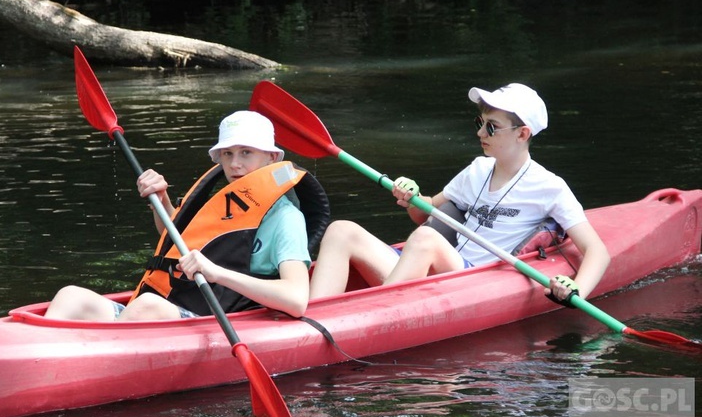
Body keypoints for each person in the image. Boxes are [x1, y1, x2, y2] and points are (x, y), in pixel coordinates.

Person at [309, 83, 610, 307]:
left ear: (523, 134)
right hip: (435, 266)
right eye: (480, 124)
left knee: (426, 241)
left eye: (492, 128)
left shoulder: (550, 187)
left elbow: (597, 251)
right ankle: (313, 319)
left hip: (471, 279)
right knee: (341, 230)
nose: (480, 134)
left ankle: (371, 315)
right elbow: (424, 213)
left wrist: (576, 289)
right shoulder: (477, 170)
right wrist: (411, 195)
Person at [45, 110, 329, 321]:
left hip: (218, 321)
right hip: (176, 306)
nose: (235, 164)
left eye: (246, 152)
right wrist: (162, 202)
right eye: (227, 154)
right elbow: (178, 243)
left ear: (272, 158)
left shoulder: (286, 218)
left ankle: (89, 370)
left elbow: (295, 300)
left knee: (148, 306)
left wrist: (217, 273)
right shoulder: (226, 204)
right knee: (71, 296)